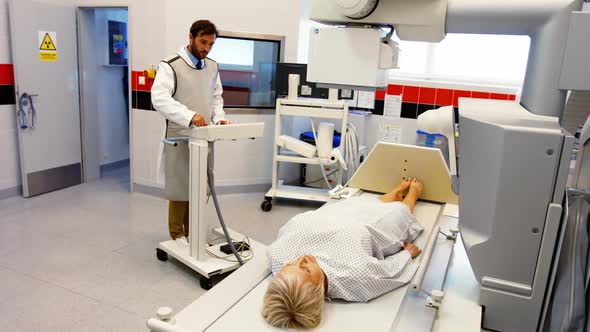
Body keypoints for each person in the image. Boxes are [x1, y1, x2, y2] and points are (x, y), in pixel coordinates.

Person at [262, 178, 425, 329]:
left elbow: (284, 238)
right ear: (319, 291)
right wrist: (406, 254)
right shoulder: (354, 278)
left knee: (353, 206)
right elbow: (388, 272)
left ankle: (393, 194)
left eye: (290, 265)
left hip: (328, 218)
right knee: (396, 216)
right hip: (365, 229)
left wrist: (298, 267)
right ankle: (409, 198)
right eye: (306, 270)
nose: (302, 259)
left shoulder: (277, 257)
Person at [151, 20, 228, 242]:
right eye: (203, 42)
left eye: (211, 44)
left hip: (204, 136)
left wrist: (220, 119)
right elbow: (160, 99)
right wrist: (189, 116)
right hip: (179, 136)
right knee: (179, 186)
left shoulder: (212, 66)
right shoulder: (170, 65)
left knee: (200, 186)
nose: (206, 48)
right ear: (191, 37)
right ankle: (177, 237)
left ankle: (193, 233)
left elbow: (216, 97)